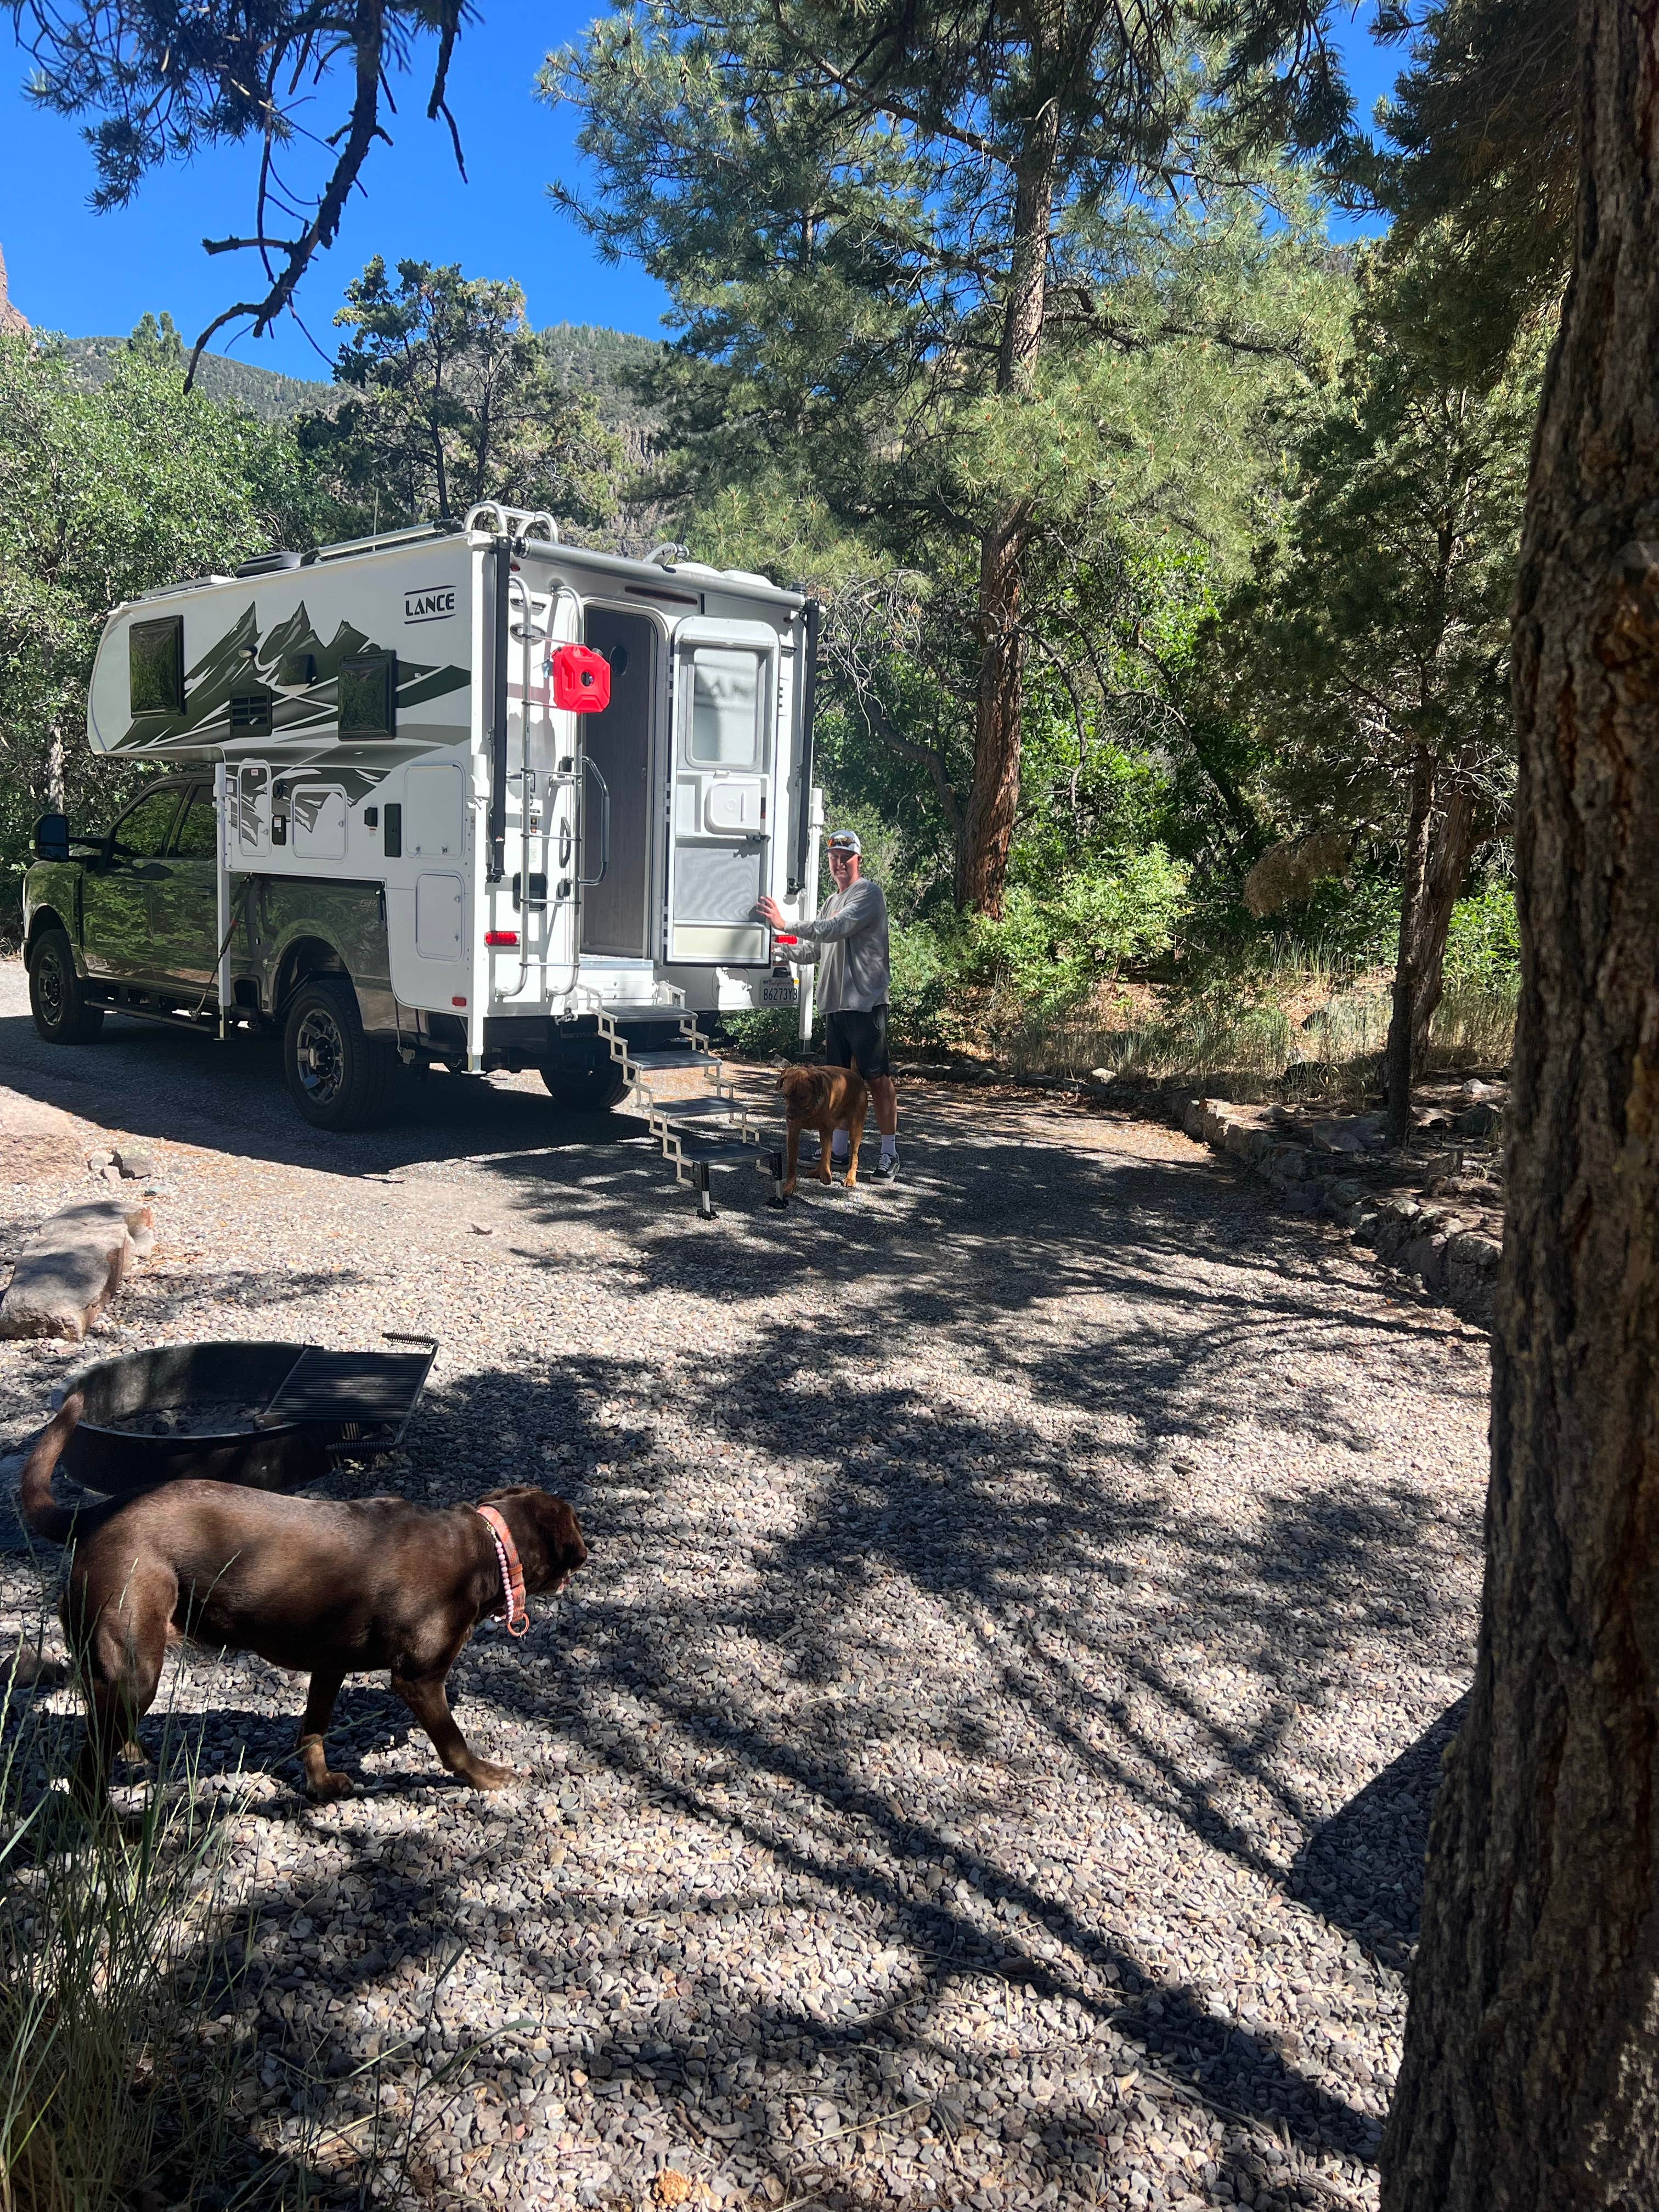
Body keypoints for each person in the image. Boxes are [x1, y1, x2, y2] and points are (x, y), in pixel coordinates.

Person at [757, 830, 899, 1182]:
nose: (839, 863)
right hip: (835, 1006)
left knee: (876, 1079)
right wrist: (775, 948)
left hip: (865, 1003)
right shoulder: (831, 901)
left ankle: (889, 1154)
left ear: (858, 859)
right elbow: (814, 950)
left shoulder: (868, 894)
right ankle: (836, 1153)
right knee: (840, 1083)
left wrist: (785, 924)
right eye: (834, 858)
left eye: (845, 857)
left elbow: (836, 929)